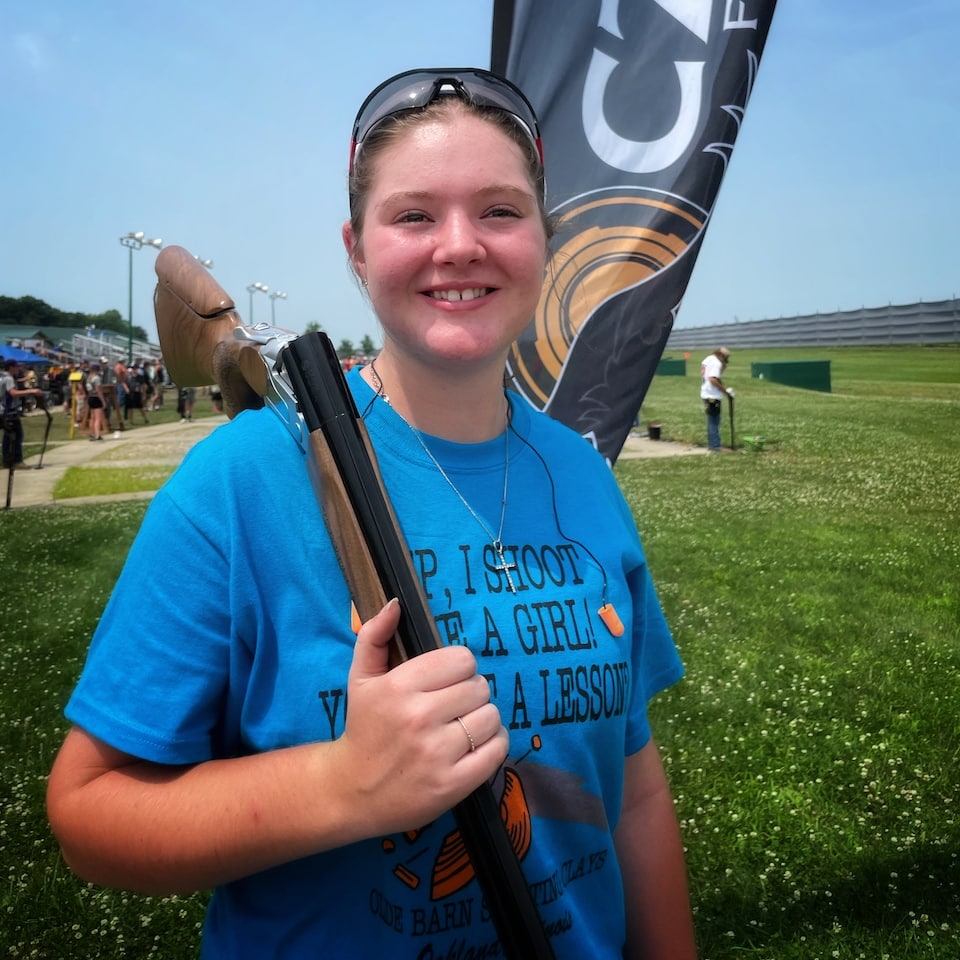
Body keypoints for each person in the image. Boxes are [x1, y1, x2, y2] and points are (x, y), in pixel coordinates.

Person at [46, 68, 696, 960]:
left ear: (545, 241)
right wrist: (345, 785)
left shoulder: (580, 474)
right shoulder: (235, 482)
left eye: (501, 211)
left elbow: (636, 784)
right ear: (356, 249)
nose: (460, 245)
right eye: (414, 215)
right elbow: (88, 814)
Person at [2, 359, 44, 468]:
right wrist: (32, 391)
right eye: (16, 366)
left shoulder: (3, 376)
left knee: (8, 437)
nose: (18, 368)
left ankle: (6, 460)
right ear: (10, 367)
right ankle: (17, 461)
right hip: (9, 411)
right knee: (17, 436)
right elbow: (13, 393)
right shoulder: (8, 378)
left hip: (3, 411)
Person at [700, 346, 733, 451]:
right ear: (721, 356)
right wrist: (725, 391)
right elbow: (713, 379)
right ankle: (714, 446)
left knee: (711, 420)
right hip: (713, 396)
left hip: (706, 394)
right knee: (714, 421)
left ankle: (713, 444)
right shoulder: (716, 363)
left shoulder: (708, 359)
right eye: (725, 359)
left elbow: (712, 376)